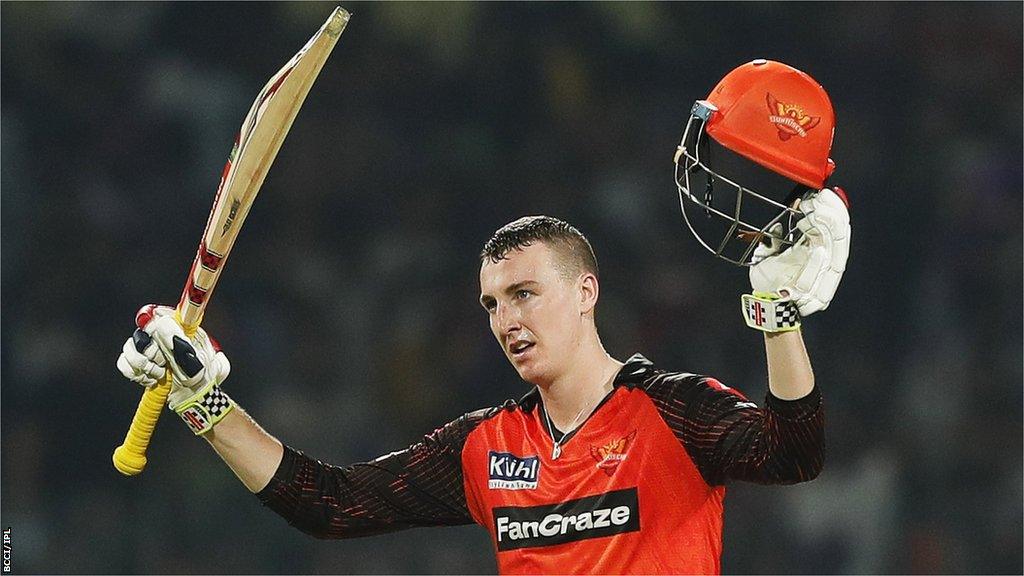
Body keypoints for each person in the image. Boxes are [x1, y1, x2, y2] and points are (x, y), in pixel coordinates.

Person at [116, 59, 851, 574]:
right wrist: (199, 400)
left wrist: (778, 316)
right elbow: (329, 504)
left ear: (586, 292)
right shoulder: (483, 448)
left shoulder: (676, 412)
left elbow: (793, 452)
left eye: (526, 294)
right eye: (492, 304)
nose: (505, 320)